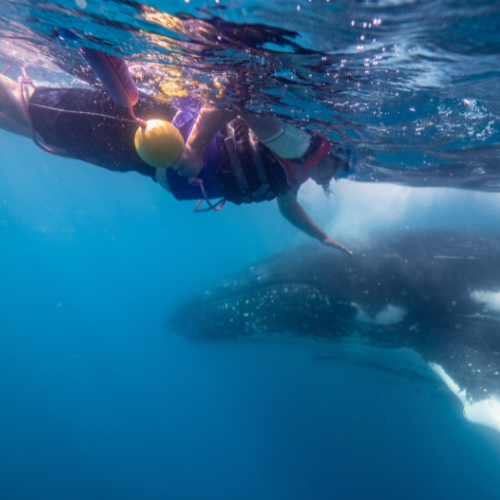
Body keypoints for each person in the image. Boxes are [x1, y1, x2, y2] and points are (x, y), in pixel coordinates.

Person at [0, 72, 353, 256]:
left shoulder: (295, 176)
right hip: (153, 130)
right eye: (343, 171)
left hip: (146, 161)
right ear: (332, 156)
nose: (336, 180)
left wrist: (323, 238)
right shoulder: (297, 146)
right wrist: (197, 146)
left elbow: (289, 210)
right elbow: (238, 95)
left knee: (41, 130)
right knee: (30, 104)